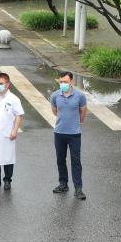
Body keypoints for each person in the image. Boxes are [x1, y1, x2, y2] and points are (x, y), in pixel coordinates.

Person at [50, 71, 87, 199]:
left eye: (65, 82)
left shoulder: (80, 96)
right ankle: (63, 184)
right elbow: (54, 110)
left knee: (76, 161)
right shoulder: (55, 95)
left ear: (71, 81)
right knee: (60, 159)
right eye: (61, 82)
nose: (63, 84)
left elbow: (83, 110)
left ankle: (78, 188)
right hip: (59, 133)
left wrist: (80, 122)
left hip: (74, 134)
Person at [0, 72, 24, 190]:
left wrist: (15, 130)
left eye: (1, 83)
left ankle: (7, 180)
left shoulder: (13, 99)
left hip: (7, 133)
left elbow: (19, 116)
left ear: (8, 84)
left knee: (7, 158)